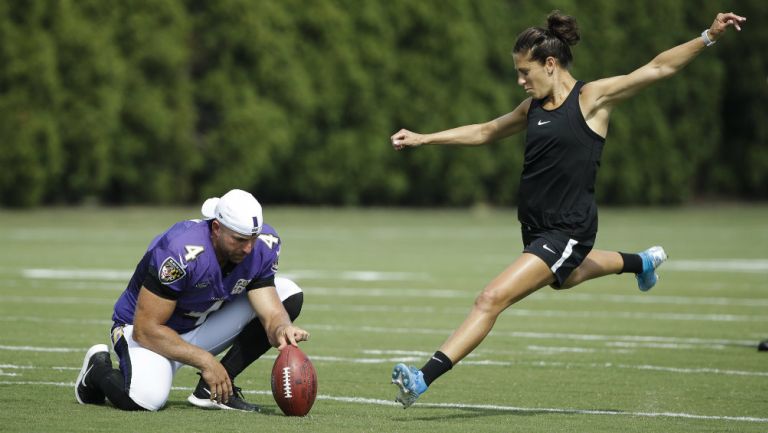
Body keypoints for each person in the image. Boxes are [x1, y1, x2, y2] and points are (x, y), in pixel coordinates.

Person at [388, 11, 746, 408]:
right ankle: (640, 263)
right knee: (567, 277)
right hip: (537, 227)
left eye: (525, 72)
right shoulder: (532, 109)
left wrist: (708, 36)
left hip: (568, 227)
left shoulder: (591, 99)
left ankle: (422, 378)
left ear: (551, 64)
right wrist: (425, 138)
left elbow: (658, 68)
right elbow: (487, 130)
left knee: (490, 299)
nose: (520, 81)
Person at [74, 189, 309, 412]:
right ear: (216, 228)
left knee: (287, 292)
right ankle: (97, 369)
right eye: (239, 239)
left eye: (253, 239)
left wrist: (281, 328)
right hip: (149, 333)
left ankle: (212, 390)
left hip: (199, 323)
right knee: (143, 399)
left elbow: (270, 310)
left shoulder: (263, 245)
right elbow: (146, 330)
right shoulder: (180, 251)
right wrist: (206, 361)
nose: (248, 248)